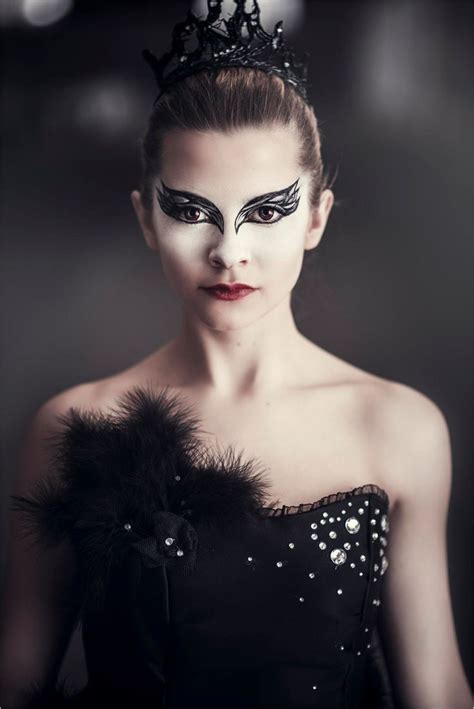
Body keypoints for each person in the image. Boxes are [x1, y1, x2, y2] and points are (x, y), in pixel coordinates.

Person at [0, 1, 471, 708]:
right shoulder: (75, 427)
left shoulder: (400, 429)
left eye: (268, 210)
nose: (229, 252)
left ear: (316, 217)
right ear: (145, 218)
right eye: (191, 210)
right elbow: (15, 685)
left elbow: (435, 690)